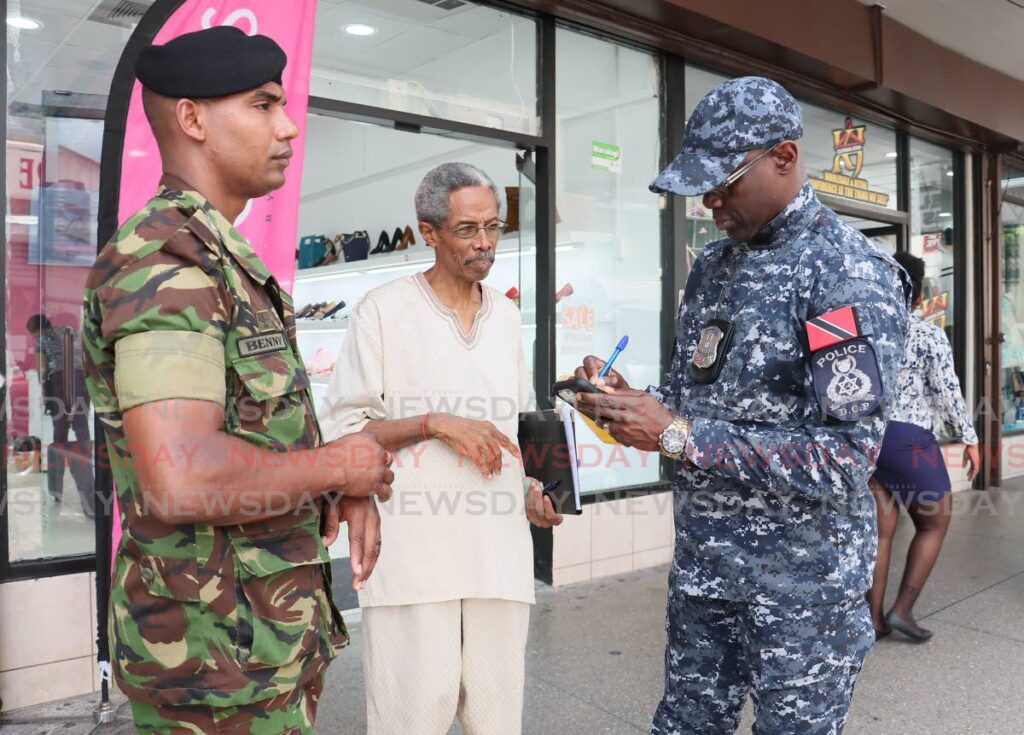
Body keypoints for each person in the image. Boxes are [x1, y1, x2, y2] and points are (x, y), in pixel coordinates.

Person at [572, 77, 909, 734]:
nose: (711, 200)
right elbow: (688, 399)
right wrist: (630, 405)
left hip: (802, 592)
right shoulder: (713, 267)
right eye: (703, 185)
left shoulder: (845, 274)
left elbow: (843, 458)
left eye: (724, 183)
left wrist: (678, 436)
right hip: (707, 573)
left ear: (785, 157)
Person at [81, 27, 393, 734]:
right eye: (262, 105)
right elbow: (182, 474)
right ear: (192, 119)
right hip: (212, 670)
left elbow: (254, 436)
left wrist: (330, 475)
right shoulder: (168, 265)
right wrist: (339, 464)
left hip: (253, 652)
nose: (287, 128)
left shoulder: (217, 256)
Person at [320, 162, 562, 735]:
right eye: (466, 229)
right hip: (413, 557)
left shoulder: (507, 315)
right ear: (428, 232)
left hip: (497, 553)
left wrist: (529, 490)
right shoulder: (381, 310)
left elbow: (512, 426)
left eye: (493, 227)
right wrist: (434, 424)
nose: (484, 243)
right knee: (409, 721)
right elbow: (345, 431)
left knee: (498, 721)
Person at [868, 251, 980, 642]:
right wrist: (970, 438)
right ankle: (902, 610)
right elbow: (948, 392)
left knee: (882, 531)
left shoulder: (867, 331)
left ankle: (874, 621)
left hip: (867, 440)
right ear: (917, 295)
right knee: (935, 521)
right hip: (908, 439)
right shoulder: (927, 333)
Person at [27, 313, 93, 513]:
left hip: (58, 381)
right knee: (82, 429)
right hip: (81, 379)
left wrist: (45, 396)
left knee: (60, 433)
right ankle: (89, 493)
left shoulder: (40, 341)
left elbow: (41, 369)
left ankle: (56, 490)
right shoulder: (69, 330)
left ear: (35, 331)